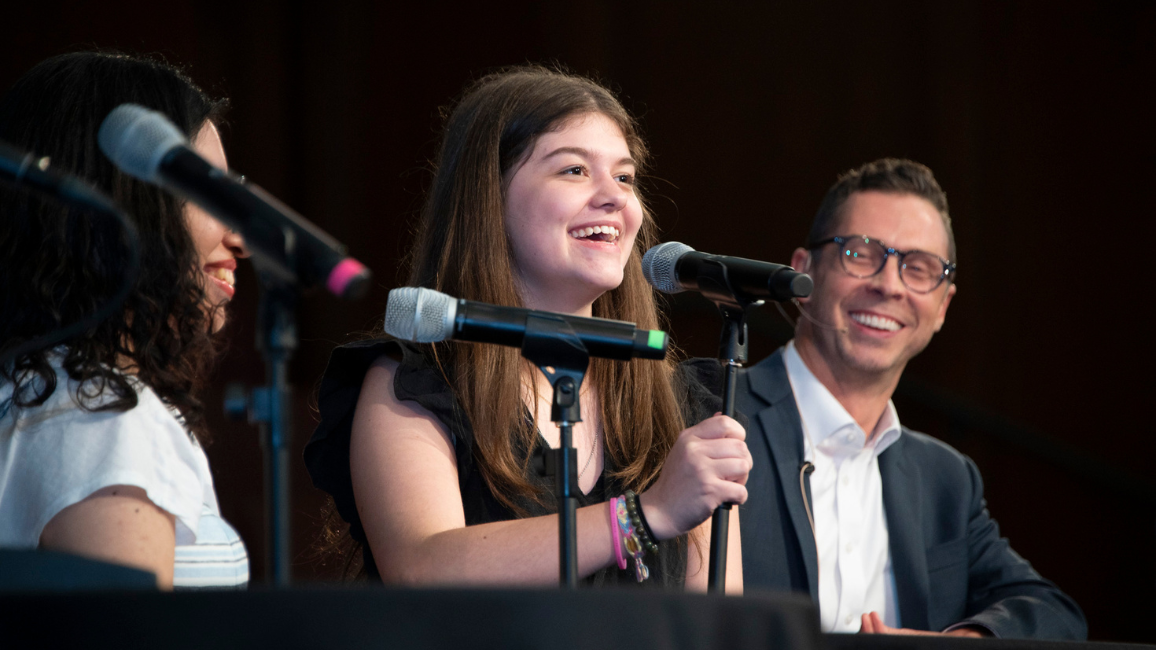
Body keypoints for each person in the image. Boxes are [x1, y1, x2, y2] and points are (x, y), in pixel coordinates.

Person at [305, 66, 751, 590]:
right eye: (574, 171)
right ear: (487, 197)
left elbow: (715, 623)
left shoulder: (681, 408)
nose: (614, 197)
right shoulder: (419, 382)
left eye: (626, 177)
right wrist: (640, 516)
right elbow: (423, 566)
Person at [735, 158, 1085, 638]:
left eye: (919, 269)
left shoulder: (946, 480)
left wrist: (965, 642)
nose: (888, 284)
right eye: (860, 253)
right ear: (803, 275)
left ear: (942, 307)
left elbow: (1054, 613)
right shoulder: (717, 409)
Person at [0, 52, 250, 590]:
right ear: (125, 203)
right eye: (210, 193)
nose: (241, 238)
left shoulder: (46, 391)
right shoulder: (99, 417)